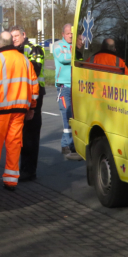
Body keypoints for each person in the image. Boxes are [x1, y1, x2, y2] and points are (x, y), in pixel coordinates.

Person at [0, 31, 39, 191]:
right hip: (19, 110)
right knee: (14, 144)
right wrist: (32, 107)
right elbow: (34, 87)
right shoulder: (24, 59)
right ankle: (11, 180)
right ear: (12, 42)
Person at [10, 26, 45, 182]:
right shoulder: (14, 51)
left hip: (35, 95)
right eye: (12, 36)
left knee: (30, 134)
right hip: (21, 95)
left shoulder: (33, 50)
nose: (14, 39)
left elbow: (35, 70)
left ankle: (30, 170)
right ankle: (23, 168)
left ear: (24, 35)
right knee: (21, 134)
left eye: (17, 35)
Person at [53, 24, 83, 161]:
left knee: (75, 116)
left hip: (77, 86)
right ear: (62, 34)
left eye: (72, 33)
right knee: (66, 115)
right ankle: (68, 145)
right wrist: (78, 51)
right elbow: (63, 59)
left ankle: (68, 144)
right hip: (64, 86)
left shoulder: (77, 46)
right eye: (67, 33)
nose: (70, 35)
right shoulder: (58, 45)